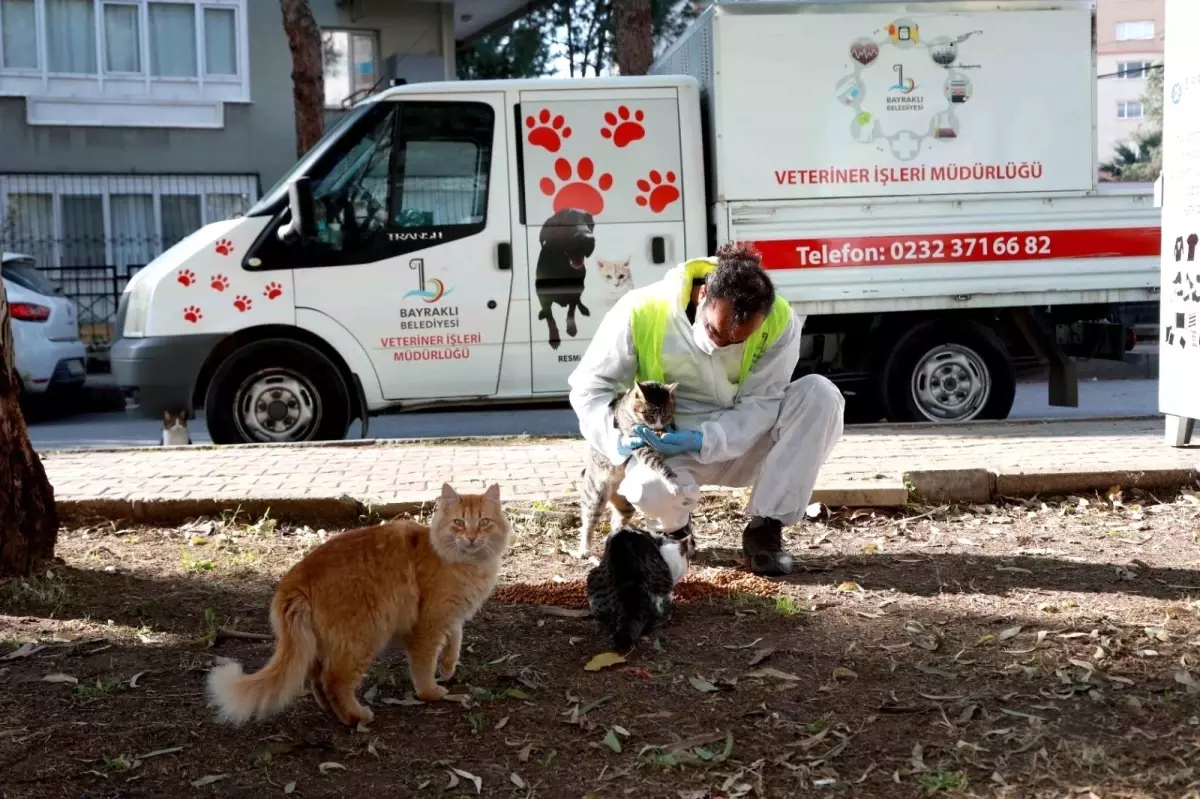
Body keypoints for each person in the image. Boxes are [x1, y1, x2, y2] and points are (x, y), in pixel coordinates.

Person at [567, 243, 845, 576]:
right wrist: (615, 439)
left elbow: (763, 401)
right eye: (715, 331)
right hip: (668, 449)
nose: (720, 345)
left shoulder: (779, 320)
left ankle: (765, 528)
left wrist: (702, 439)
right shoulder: (641, 309)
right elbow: (588, 388)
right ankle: (676, 527)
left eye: (736, 341)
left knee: (820, 395)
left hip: (745, 440)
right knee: (645, 489)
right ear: (703, 295)